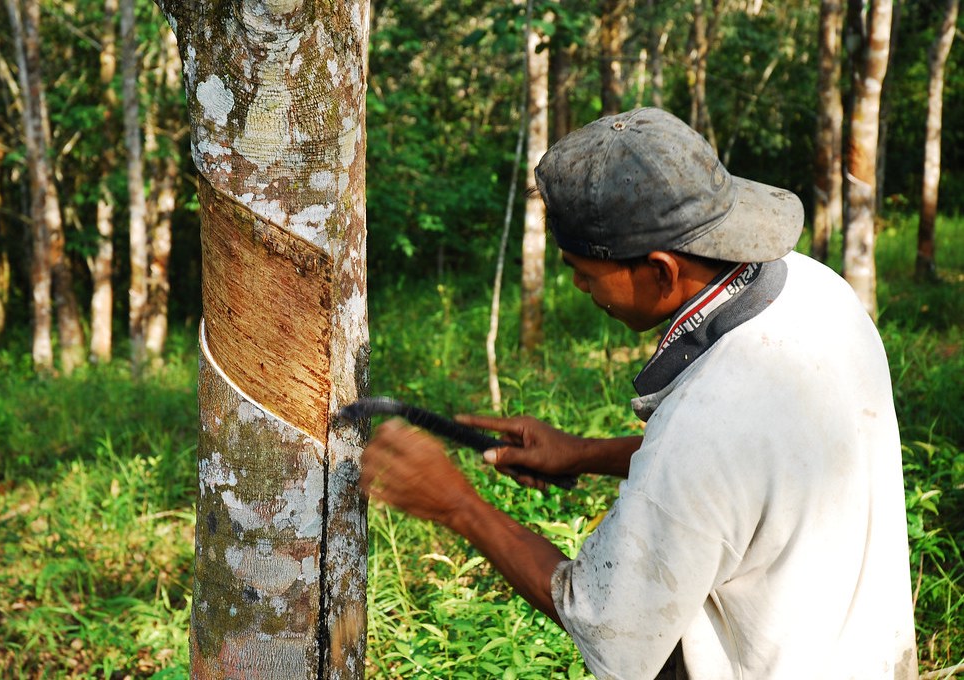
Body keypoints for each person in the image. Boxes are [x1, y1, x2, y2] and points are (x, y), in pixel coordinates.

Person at [358, 107, 919, 680]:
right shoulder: (813, 289)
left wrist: (455, 503)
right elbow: (745, 468)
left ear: (661, 271)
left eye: (583, 271)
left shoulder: (706, 429)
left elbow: (603, 620)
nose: (577, 286)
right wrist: (583, 453)